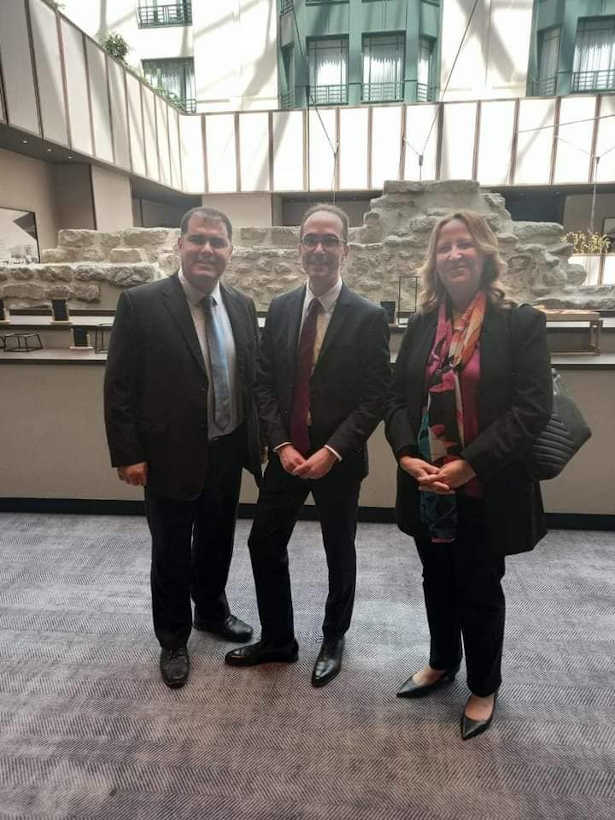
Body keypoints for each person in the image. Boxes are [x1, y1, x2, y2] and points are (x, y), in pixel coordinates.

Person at [385, 210, 552, 739]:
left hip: (484, 483)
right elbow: (395, 398)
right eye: (444, 247)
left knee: (479, 586)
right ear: (433, 261)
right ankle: (441, 661)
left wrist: (469, 464)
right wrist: (404, 452)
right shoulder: (421, 324)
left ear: (485, 254)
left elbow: (532, 409)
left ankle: (483, 686)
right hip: (427, 484)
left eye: (465, 245)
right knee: (436, 578)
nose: (454, 255)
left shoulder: (519, 323)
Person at [225, 204, 390, 687]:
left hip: (338, 457)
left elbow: (376, 396)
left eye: (329, 240)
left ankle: (334, 638)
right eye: (310, 240)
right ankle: (279, 639)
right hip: (287, 451)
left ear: (345, 250)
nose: (319, 249)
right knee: (263, 543)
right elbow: (263, 383)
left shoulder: (368, 316)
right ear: (299, 248)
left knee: (339, 549)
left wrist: (332, 451)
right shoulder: (280, 308)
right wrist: (280, 444)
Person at [104, 206, 262, 689]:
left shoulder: (241, 305)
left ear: (230, 251)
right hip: (168, 452)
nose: (207, 249)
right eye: (198, 240)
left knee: (217, 539)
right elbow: (119, 386)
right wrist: (128, 453)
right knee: (171, 549)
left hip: (227, 447)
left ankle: (211, 611)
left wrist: (257, 442)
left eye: (217, 242)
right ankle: (173, 638)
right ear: (180, 245)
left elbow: (251, 380)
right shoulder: (141, 304)